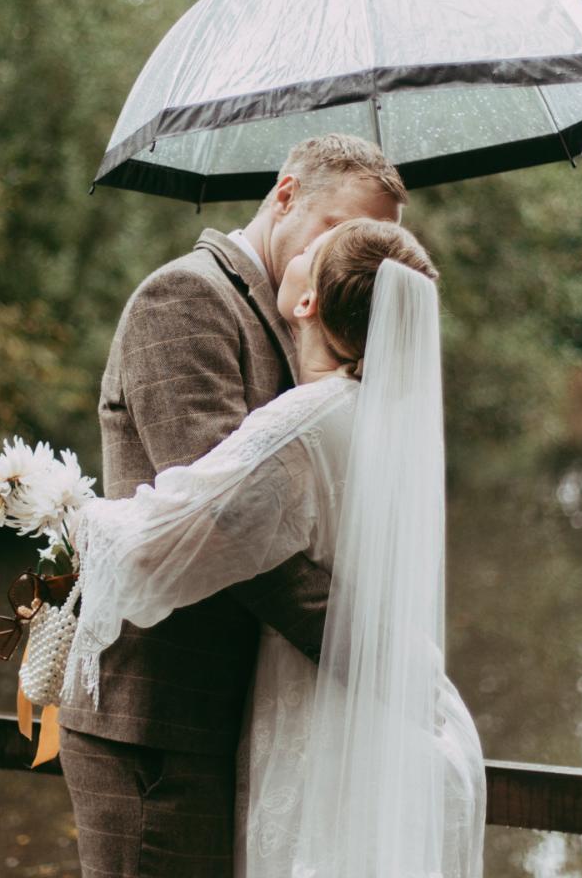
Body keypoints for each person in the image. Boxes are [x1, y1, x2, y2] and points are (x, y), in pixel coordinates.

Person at [65, 217, 486, 878]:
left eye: (315, 252)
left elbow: (164, 541)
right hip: (405, 722)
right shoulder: (395, 428)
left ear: (308, 302)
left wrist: (71, 511)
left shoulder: (305, 420)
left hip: (318, 724)